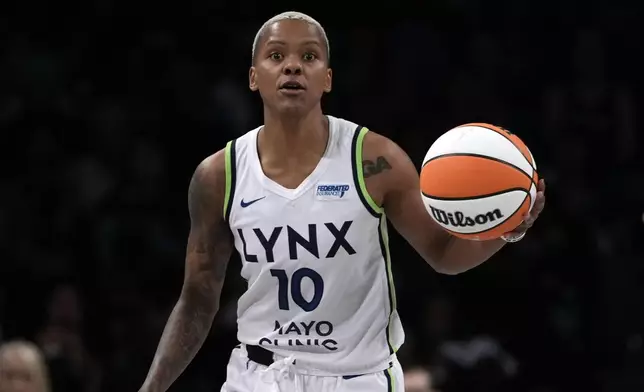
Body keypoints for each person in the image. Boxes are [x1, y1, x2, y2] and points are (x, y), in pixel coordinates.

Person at [138, 11, 546, 392]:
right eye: (276, 55)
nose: (292, 66)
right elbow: (197, 300)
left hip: (358, 379)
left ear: (327, 78)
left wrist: (507, 230)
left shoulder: (375, 160)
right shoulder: (219, 175)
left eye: (309, 56)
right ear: (253, 77)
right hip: (259, 374)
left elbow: (443, 253)